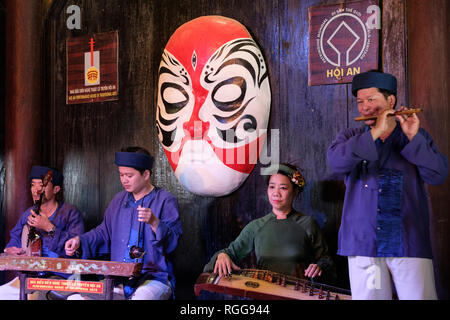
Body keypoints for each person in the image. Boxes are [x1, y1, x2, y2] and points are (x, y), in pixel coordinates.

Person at [327, 71, 448, 300]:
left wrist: (414, 138)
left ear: (390, 101)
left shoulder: (412, 135)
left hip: (406, 237)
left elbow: (438, 175)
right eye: (360, 102)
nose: (364, 108)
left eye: (371, 100)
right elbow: (336, 162)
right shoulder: (350, 136)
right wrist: (375, 133)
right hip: (365, 240)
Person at [65, 146, 182, 300]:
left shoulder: (165, 200)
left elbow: (173, 241)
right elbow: (103, 232)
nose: (124, 180)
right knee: (74, 299)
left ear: (146, 174)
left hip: (152, 278)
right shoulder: (118, 200)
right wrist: (79, 240)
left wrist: (154, 222)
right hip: (117, 278)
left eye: (129, 175)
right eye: (121, 175)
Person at [204, 163, 334, 282]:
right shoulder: (256, 226)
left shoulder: (308, 224)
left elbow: (326, 260)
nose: (276, 193)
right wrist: (222, 255)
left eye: (283, 188)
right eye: (272, 187)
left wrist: (319, 266)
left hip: (299, 294)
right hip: (264, 294)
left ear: (295, 192)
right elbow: (230, 253)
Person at [0, 165, 85, 300]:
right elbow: (15, 237)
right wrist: (11, 248)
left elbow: (78, 250)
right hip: (33, 277)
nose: (36, 189)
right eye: (33, 185)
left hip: (63, 278)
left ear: (56, 189)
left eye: (41, 184)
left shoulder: (70, 213)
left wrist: (49, 227)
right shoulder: (29, 213)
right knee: (2, 293)